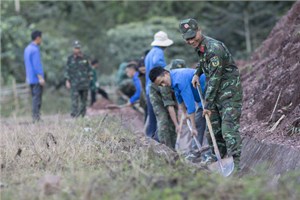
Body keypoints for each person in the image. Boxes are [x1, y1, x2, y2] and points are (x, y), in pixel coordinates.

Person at [179, 18, 243, 169]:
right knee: (213, 129)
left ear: (199, 31)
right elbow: (203, 61)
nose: (190, 41)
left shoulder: (214, 49)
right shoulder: (200, 47)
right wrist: (197, 73)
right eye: (187, 39)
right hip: (215, 93)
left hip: (228, 93)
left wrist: (206, 104)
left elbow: (214, 78)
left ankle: (237, 166)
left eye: (192, 37)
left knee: (228, 130)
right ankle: (219, 162)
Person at [149, 67, 212, 163]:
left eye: (162, 81)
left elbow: (190, 106)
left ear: (166, 73)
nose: (163, 85)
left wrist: (193, 127)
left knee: (209, 126)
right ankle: (195, 152)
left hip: (210, 97)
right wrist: (184, 113)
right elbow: (180, 99)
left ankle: (210, 154)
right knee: (199, 123)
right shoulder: (173, 81)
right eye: (160, 84)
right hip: (201, 101)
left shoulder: (180, 79)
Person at [149, 59, 186, 149]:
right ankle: (165, 148)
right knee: (163, 120)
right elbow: (169, 105)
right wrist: (177, 125)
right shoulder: (163, 81)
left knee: (173, 122)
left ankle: (173, 149)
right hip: (157, 97)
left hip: (172, 92)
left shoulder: (181, 70)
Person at [144, 31, 173, 140]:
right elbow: (157, 63)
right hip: (156, 88)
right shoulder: (158, 52)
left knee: (152, 116)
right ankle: (156, 140)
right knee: (160, 116)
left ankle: (149, 138)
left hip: (148, 89)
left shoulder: (150, 53)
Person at [64, 40, 92, 117]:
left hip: (84, 83)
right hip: (74, 83)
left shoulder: (85, 58)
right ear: (73, 48)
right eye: (75, 48)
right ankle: (74, 115)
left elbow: (90, 69)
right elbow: (67, 70)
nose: (77, 49)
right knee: (74, 100)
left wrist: (90, 79)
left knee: (84, 100)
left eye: (78, 48)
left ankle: (82, 114)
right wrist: (67, 81)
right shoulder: (70, 59)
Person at [24, 30, 45, 122]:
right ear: (37, 38)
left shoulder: (27, 49)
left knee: (34, 97)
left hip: (30, 78)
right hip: (36, 78)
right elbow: (36, 65)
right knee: (37, 98)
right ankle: (36, 118)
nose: (41, 40)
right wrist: (40, 77)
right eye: (41, 38)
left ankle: (35, 117)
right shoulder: (35, 49)